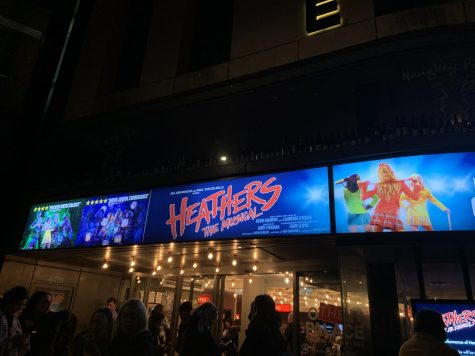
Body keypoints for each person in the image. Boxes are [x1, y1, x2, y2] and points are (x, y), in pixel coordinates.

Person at [358, 163, 421, 232]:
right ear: (391, 171)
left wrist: (363, 187)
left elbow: (363, 197)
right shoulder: (399, 183)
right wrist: (416, 183)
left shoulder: (378, 186)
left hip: (380, 213)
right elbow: (415, 197)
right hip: (391, 213)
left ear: (379, 174)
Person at [0, 286, 29, 356]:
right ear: (9, 300)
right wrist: (12, 341)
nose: (20, 308)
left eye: (23, 305)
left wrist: (24, 344)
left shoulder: (16, 322)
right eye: (18, 304)